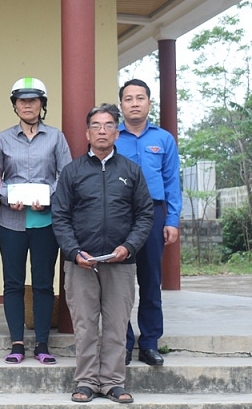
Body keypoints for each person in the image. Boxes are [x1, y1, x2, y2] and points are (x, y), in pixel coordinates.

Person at [52, 103, 153, 404]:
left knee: (115, 323)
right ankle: (85, 382)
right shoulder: (72, 172)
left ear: (116, 132)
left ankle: (112, 382)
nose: (102, 131)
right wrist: (72, 251)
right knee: (85, 325)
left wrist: (128, 247)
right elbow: (60, 216)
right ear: (87, 133)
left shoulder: (131, 171)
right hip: (82, 262)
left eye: (109, 125)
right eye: (96, 126)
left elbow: (144, 215)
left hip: (120, 261)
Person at [0, 77, 72, 365]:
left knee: (42, 283)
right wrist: (5, 197)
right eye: (22, 100)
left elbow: (65, 175)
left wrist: (49, 196)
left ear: (42, 104)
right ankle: (16, 343)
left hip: (45, 220)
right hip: (11, 220)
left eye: (33, 100)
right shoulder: (2, 139)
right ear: (14, 105)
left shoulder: (56, 137)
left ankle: (41, 343)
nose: (27, 105)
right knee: (12, 282)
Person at [116, 79, 182, 367]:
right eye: (128, 98)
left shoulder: (164, 139)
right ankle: (124, 342)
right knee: (119, 282)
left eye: (139, 98)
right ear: (121, 105)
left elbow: (172, 182)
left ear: (149, 103)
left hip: (153, 214)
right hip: (118, 214)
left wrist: (172, 219)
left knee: (150, 280)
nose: (134, 103)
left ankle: (150, 342)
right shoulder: (113, 137)